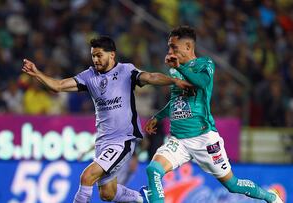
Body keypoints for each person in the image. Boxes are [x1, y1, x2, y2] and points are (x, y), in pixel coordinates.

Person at [22, 36, 193, 203]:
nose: (95, 59)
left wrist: (174, 81)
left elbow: (150, 77)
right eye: (93, 56)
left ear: (112, 55)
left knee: (87, 177)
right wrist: (37, 73)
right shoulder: (89, 76)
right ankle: (144, 198)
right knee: (107, 193)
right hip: (103, 141)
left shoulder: (126, 71)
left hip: (123, 140)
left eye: (99, 55)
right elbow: (58, 86)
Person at [143, 26, 284, 203]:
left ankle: (270, 197)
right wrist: (158, 116)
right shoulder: (173, 70)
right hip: (178, 140)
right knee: (153, 170)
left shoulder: (205, 64)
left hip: (204, 139)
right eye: (169, 47)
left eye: (174, 47)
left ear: (188, 47)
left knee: (232, 184)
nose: (170, 51)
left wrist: (180, 68)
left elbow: (201, 83)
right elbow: (177, 101)